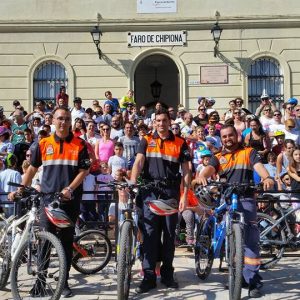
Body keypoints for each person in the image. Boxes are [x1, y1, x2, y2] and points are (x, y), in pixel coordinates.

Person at [9, 106, 90, 297]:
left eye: (67, 119)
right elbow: (31, 169)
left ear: (71, 122)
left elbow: (83, 171)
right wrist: (20, 189)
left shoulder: (80, 144)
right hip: (47, 199)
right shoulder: (43, 143)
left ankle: (64, 281)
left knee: (65, 241)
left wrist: (70, 189)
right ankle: (41, 281)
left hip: (69, 200)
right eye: (60, 118)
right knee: (45, 242)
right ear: (52, 121)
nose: (63, 122)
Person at [196, 124, 274, 298]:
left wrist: (266, 177)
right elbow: (210, 168)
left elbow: (259, 166)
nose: (227, 139)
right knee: (231, 239)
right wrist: (203, 175)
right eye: (224, 137)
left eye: (230, 135)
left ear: (237, 136)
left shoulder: (248, 152)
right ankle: (236, 275)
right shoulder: (218, 157)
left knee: (251, 242)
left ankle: (253, 280)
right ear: (221, 138)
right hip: (227, 199)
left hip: (246, 198)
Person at [130, 108, 191, 293]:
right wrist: (133, 181)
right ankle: (149, 276)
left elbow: (187, 171)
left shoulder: (180, 142)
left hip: (170, 192)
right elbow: (139, 162)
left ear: (169, 122)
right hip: (149, 191)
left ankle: (167, 274)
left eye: (164, 120)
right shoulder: (146, 140)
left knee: (170, 235)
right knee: (149, 234)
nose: (161, 123)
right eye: (158, 120)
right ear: (154, 122)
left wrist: (185, 194)